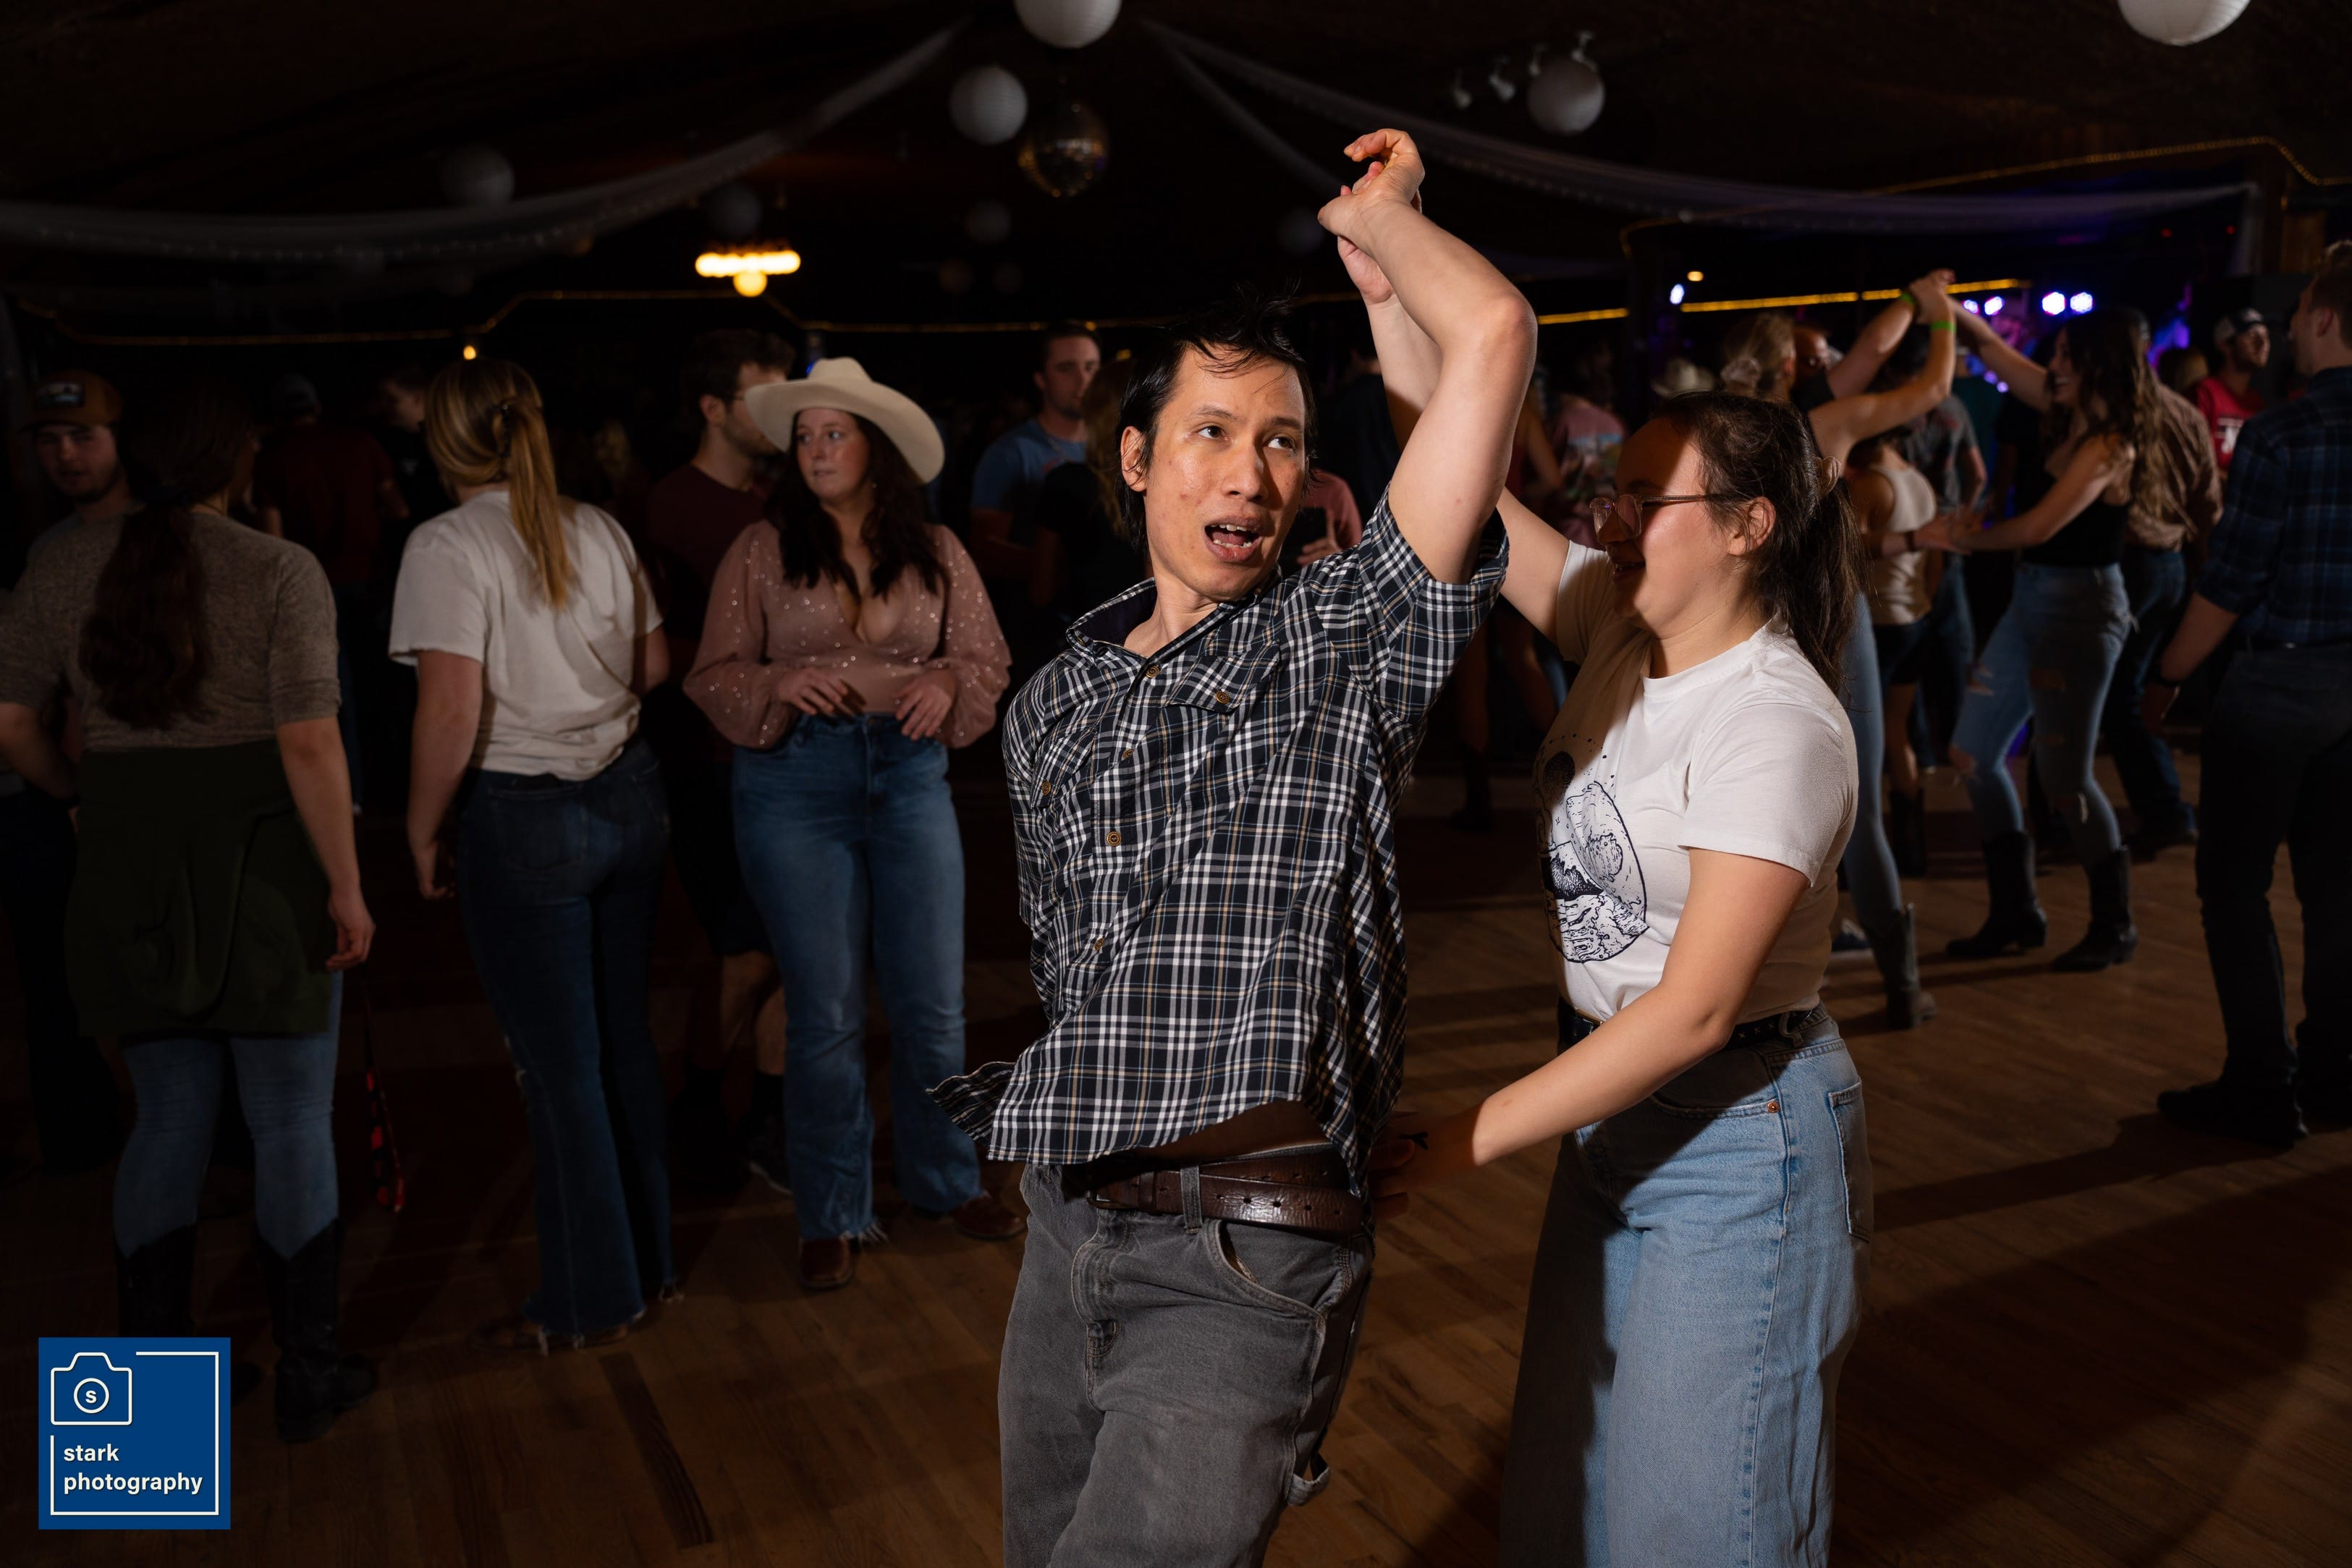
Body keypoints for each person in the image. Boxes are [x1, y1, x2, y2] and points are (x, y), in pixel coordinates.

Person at [931, 130, 1531, 1566]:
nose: (1252, 473)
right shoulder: (1053, 702)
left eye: (1281, 441)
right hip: (1069, 1229)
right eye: (1212, 432)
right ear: (1136, 459)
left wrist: (1383, 230)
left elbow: (1494, 338)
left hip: (1244, 1262)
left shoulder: (1340, 645)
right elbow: (1074, 976)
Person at [1371, 385, 1868, 1564]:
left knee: (1695, 1529)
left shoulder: (1775, 723)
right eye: (1612, 495)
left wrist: (1451, 1142)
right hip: (1609, 1119)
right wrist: (1390, 300)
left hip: (1738, 1139)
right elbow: (1461, 476)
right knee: (1567, 1501)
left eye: (1648, 500)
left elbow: (1692, 1012)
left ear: (1748, 525)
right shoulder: (1618, 627)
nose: (1611, 521)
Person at [0, 380, 376, 1443]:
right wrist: (348, 884)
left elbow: (12, 723)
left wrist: (77, 796)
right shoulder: (278, 568)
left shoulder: (62, 565)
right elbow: (309, 741)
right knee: (290, 1118)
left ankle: (151, 1419)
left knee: (166, 1119)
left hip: (129, 858)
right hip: (263, 857)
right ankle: (309, 1374)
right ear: (232, 462)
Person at [688, 357, 1018, 1292]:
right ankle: (831, 1209)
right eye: (805, 436)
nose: (817, 449)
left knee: (933, 1002)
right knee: (825, 1012)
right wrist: (778, 679)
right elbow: (713, 674)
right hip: (796, 784)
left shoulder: (936, 547)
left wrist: (946, 680)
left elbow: (985, 659)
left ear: (875, 447)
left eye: (834, 432)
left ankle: (945, 1178)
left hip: (909, 777)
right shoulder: (761, 548)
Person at [392, 358, 675, 1352]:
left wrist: (419, 828)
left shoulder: (445, 544)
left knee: (560, 1071)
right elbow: (653, 664)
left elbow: (451, 708)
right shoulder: (597, 527)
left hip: (525, 814)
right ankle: (650, 1260)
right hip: (629, 794)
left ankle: (592, 1296)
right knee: (621, 1041)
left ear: (442, 438)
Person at [2145, 242, 2352, 1149]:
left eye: (2299, 310)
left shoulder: (2281, 433)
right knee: (2337, 890)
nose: (2291, 327)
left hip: (2279, 682)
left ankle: (2263, 1089)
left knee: (2234, 885)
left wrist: (2164, 678)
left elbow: (2227, 586)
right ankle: (2335, 1071)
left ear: (2324, 318)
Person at [1720, 281, 1955, 1027]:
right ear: (1792, 365)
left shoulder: (1719, 432)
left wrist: (1914, 298)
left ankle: (1736, 988)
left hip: (1754, 625)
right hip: (1833, 625)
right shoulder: (1825, 424)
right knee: (1862, 819)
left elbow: (1872, 348)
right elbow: (1931, 388)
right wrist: (1940, 318)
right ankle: (1902, 986)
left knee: (1752, 808)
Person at [1928, 307, 2160, 972]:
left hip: (2081, 613)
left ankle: (2115, 923)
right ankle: (2017, 912)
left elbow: (2037, 528)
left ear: (2094, 365)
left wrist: (1961, 539)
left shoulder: (2111, 444)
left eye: (2064, 355)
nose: (2052, 365)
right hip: (2033, 599)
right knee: (1972, 753)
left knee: (2065, 779)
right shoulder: (2062, 407)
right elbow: (1990, 348)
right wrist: (1946, 309)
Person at [643, 329, 795, 1192]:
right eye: (760, 399)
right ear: (712, 408)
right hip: (705, 760)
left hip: (785, 755)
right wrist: (750, 666)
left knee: (795, 949)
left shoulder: (779, 500)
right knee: (747, 948)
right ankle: (697, 1109)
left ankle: (766, 1121)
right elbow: (645, 647)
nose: (781, 415)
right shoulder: (667, 508)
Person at [1, 371, 138, 1178]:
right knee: (59, 976)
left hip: (161, 786)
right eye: (50, 440)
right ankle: (84, 1141)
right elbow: (36, 695)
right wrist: (66, 788)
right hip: (74, 792)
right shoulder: (47, 552)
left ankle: (204, 1140)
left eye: (82, 435)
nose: (65, 454)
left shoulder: (169, 534)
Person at [255, 373, 407, 810]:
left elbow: (275, 543)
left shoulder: (274, 458)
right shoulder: (360, 443)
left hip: (315, 590)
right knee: (387, 685)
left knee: (338, 696)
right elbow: (398, 508)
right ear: (317, 408)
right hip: (371, 579)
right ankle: (399, 788)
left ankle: (351, 795)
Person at [2102, 313, 2222, 862]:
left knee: (2114, 696)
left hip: (2130, 563)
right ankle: (2162, 809)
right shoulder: (2185, 413)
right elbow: (2208, 503)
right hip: (2171, 564)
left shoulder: (2113, 412)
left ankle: (2164, 810)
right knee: (2128, 691)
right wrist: (2203, 569)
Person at [970, 323, 1101, 677]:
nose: (1082, 380)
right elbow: (984, 548)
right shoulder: (1010, 453)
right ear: (1041, 379)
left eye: (1091, 367)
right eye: (1066, 368)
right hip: (1044, 638)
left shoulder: (1114, 444)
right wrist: (1058, 566)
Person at [1850, 422, 1943, 877]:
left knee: (1858, 741)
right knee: (1898, 731)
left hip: (1879, 624)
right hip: (1914, 620)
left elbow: (1849, 549)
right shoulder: (1918, 481)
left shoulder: (1871, 484)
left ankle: (1858, 858)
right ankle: (1913, 852)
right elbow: (1936, 556)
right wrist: (1924, 605)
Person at [1028, 356, 1149, 622]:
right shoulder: (1168, 483)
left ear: (1094, 412)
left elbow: (1041, 590)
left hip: (1087, 634)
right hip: (1157, 632)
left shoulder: (1066, 483)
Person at [2196, 306, 2270, 472]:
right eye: (2251, 336)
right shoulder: (2205, 394)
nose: (2263, 343)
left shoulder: (2257, 403)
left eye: (2266, 336)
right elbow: (2196, 461)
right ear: (2225, 345)